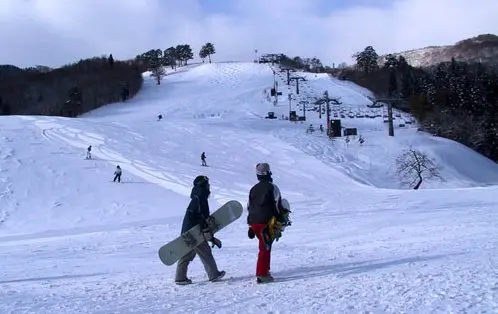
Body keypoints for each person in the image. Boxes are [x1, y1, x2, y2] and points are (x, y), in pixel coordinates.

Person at [175, 175, 225, 285]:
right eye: (208, 184)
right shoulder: (200, 196)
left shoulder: (197, 196)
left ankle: (180, 277)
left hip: (188, 230)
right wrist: (205, 228)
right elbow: (200, 216)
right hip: (194, 231)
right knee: (205, 252)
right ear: (203, 185)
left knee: (187, 254)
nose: (209, 187)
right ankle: (214, 275)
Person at [246, 162, 287, 284]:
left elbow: (249, 206)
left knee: (266, 246)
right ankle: (262, 274)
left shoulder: (253, 189)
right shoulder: (272, 187)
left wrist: (250, 225)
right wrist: (281, 219)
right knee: (264, 248)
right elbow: (278, 204)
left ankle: (266, 270)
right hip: (267, 222)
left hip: (254, 222)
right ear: (269, 173)